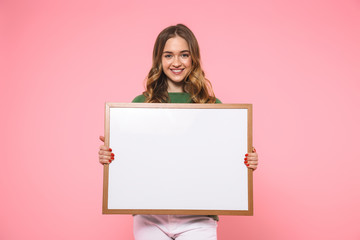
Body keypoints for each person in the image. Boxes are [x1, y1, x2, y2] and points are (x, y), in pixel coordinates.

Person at [98, 24, 259, 240]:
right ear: (159, 59)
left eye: (184, 55)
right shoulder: (140, 104)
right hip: (149, 215)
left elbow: (226, 158)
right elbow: (129, 159)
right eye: (168, 55)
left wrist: (247, 161)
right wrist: (110, 156)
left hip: (199, 217)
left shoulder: (213, 106)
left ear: (193, 59)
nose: (176, 62)